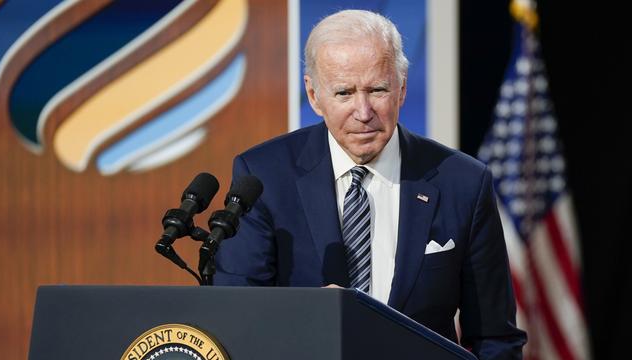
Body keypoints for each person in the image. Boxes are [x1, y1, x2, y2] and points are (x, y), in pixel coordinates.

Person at [214, 9, 527, 358]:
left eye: (377, 89)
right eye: (344, 93)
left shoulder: (463, 182)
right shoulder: (264, 176)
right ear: (314, 95)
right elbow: (238, 320)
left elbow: (496, 338)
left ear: (402, 88)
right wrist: (305, 319)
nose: (363, 112)